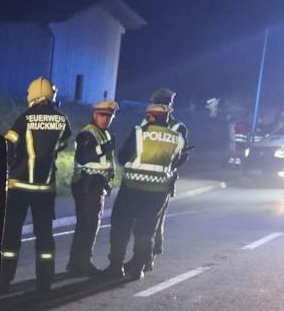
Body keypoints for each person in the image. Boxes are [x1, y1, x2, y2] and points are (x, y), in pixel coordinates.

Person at [0, 77, 72, 293]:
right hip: (45, 189)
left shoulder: (24, 118)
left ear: (31, 94)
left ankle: (4, 280)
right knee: (44, 236)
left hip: (19, 186)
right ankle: (45, 281)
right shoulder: (62, 120)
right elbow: (62, 143)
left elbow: (8, 143)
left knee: (11, 236)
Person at [107, 92, 186, 281]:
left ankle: (116, 266)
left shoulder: (140, 132)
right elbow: (180, 159)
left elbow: (123, 157)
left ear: (150, 115)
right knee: (146, 229)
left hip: (132, 188)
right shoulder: (177, 136)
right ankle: (138, 268)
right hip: (158, 191)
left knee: (121, 226)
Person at [67, 99, 118, 276]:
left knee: (87, 225)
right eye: (103, 115)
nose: (106, 119)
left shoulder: (104, 133)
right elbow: (84, 156)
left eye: (109, 116)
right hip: (87, 185)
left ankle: (76, 262)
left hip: (95, 185)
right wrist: (104, 148)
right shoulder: (87, 133)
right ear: (95, 114)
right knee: (88, 225)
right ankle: (81, 262)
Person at [152, 89, 193, 258]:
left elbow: (184, 155)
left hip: (163, 180)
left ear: (170, 106)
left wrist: (170, 168)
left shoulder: (177, 127)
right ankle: (148, 252)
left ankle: (151, 252)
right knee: (148, 219)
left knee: (156, 217)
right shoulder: (148, 123)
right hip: (142, 178)